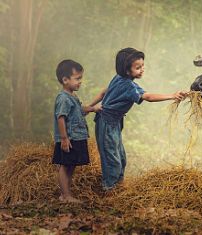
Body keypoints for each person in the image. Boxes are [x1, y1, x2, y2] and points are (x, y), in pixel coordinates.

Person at [88, 48, 187, 191]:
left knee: (121, 158)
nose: (142, 70)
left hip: (113, 123)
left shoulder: (122, 79)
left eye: (142, 66)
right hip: (106, 123)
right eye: (138, 67)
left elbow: (105, 92)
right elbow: (148, 97)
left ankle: (118, 188)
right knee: (112, 160)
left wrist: (89, 106)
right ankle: (109, 190)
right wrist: (172, 95)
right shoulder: (127, 85)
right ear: (127, 70)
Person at [52, 59, 101, 203]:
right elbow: (61, 117)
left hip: (77, 136)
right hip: (70, 137)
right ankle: (65, 195)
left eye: (81, 78)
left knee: (71, 164)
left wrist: (93, 108)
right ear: (65, 80)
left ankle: (66, 193)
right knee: (65, 165)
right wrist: (64, 138)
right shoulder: (63, 98)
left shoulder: (73, 96)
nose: (80, 81)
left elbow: (79, 111)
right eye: (77, 78)